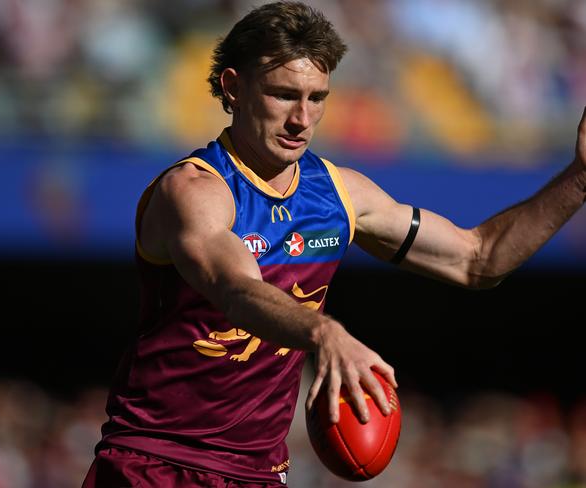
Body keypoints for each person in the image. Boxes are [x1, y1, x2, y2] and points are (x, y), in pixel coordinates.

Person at [82, 2, 586, 487]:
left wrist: (580, 178)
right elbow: (236, 292)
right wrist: (325, 334)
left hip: (260, 475)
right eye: (283, 94)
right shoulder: (194, 191)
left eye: (317, 97)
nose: (302, 118)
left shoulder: (341, 194)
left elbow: (479, 259)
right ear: (232, 88)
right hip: (156, 463)